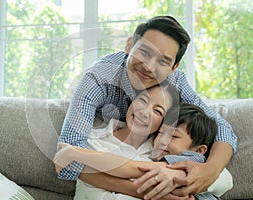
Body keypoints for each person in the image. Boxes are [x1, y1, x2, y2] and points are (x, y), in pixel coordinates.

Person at [56, 15, 237, 198]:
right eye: (144, 52)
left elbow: (222, 129)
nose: (148, 66)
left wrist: (209, 171)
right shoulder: (97, 79)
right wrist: (141, 191)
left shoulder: (175, 82)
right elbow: (65, 158)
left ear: (174, 67)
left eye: (163, 61)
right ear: (129, 45)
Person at [54, 103, 233, 200]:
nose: (162, 140)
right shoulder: (161, 159)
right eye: (161, 132)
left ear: (200, 150)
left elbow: (129, 168)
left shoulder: (186, 162)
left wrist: (77, 153)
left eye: (174, 137)